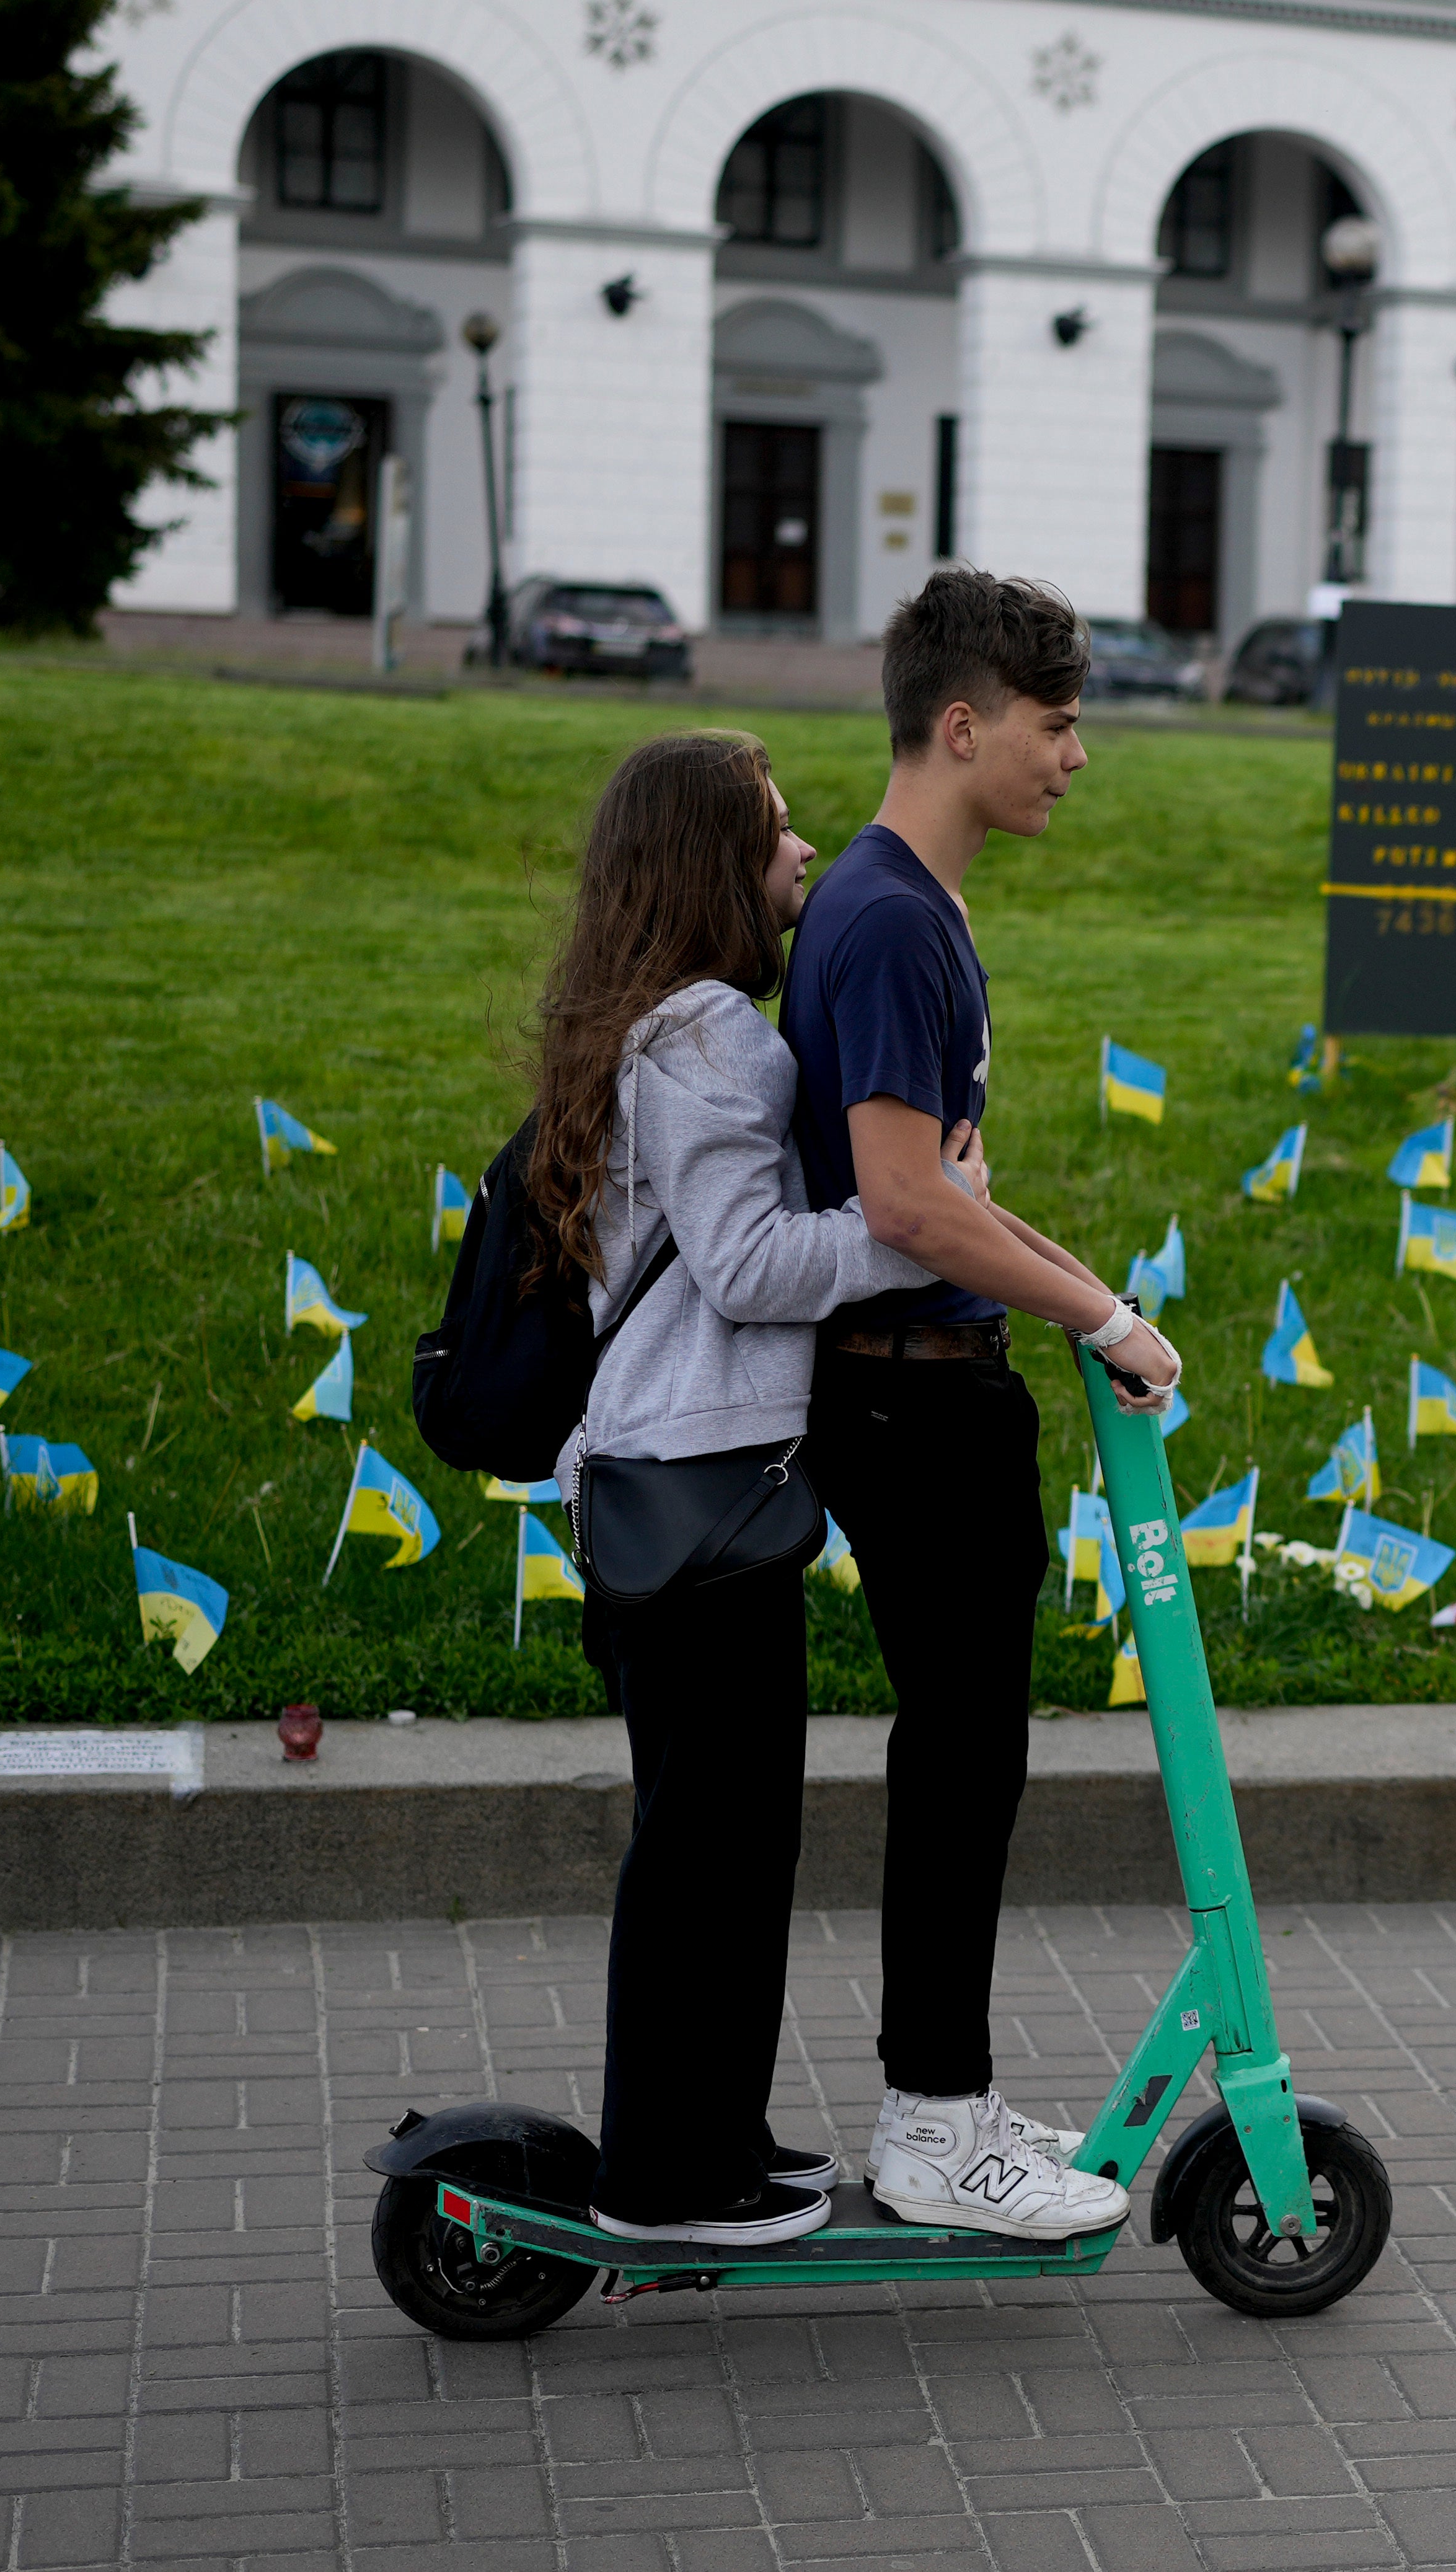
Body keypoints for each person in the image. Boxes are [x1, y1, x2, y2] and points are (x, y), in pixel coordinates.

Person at [788, 567, 1184, 2241]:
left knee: (978, 1753)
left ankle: (945, 2095)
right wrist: (1093, 1302)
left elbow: (953, 1190)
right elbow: (901, 1202)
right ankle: (934, 2125)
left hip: (942, 1387)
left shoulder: (908, 905)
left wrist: (1098, 1301)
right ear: (966, 724)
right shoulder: (886, 917)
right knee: (964, 1761)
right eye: (1060, 720)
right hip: (907, 1405)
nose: (1077, 756)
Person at [532, 727, 930, 2248]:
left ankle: (717, 2136)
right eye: (774, 832)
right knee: (705, 1840)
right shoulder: (705, 1037)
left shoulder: (658, 1024)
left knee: (732, 1832)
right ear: (711, 861)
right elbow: (753, 1264)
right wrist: (918, 1222)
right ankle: (660, 2176)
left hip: (697, 1488)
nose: (804, 853)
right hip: (689, 1499)